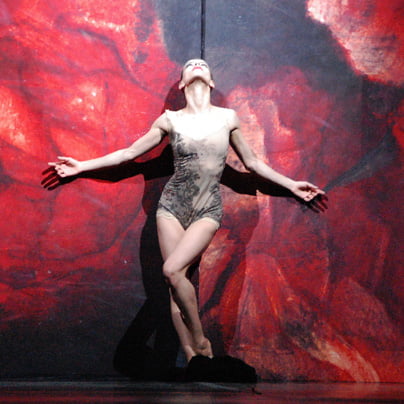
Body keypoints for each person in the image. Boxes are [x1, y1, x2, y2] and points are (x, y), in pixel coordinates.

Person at [49, 59, 325, 362]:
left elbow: (253, 163)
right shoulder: (169, 120)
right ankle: (195, 358)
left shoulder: (227, 118)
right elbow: (129, 154)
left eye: (202, 65)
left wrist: (292, 186)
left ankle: (200, 341)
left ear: (211, 82)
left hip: (207, 209)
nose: (196, 65)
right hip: (171, 207)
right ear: (182, 83)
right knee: (174, 284)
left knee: (171, 271)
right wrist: (81, 166)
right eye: (190, 65)